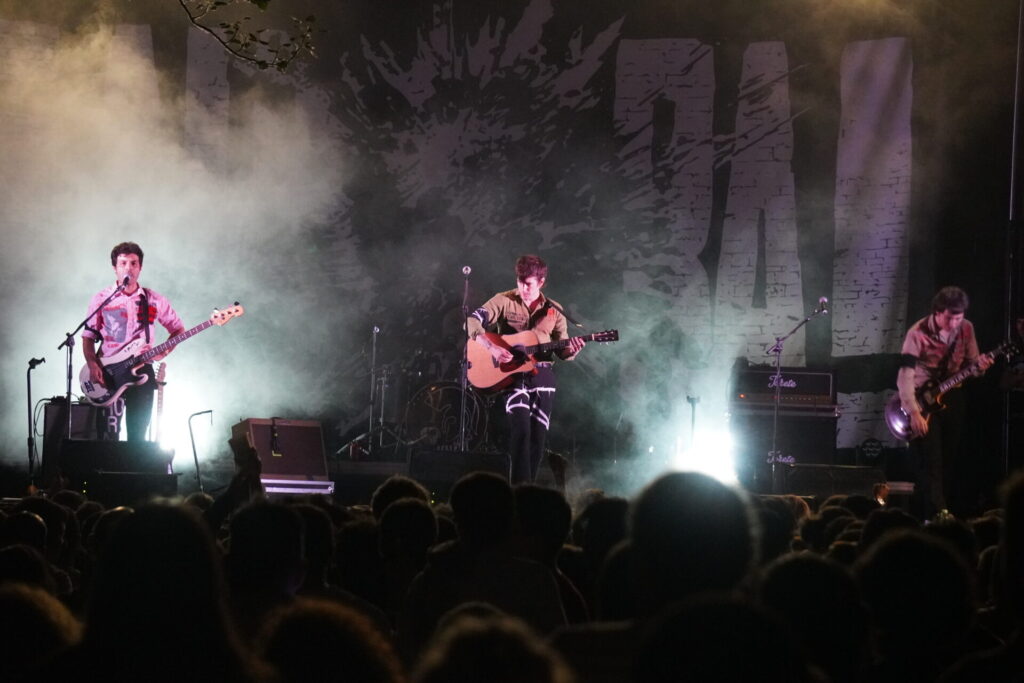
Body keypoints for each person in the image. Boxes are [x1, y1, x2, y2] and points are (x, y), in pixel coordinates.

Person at [466, 254, 585, 484]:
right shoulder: (503, 299)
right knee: (521, 431)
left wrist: (574, 350)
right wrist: (490, 347)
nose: (522, 287)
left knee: (538, 438)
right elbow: (471, 321)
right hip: (514, 377)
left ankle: (527, 487)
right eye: (519, 281)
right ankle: (519, 490)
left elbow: (562, 351)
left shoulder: (555, 310)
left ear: (541, 282)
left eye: (528, 283)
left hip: (543, 376)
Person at [896, 286, 993, 517]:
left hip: (953, 397)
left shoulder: (967, 328)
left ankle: (942, 509)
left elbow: (972, 366)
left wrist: (981, 368)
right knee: (931, 461)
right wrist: (914, 412)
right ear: (937, 313)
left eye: (959, 317)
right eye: (950, 318)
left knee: (950, 458)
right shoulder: (917, 333)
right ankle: (936, 514)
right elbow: (905, 375)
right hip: (922, 399)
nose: (954, 323)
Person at [82, 242, 184, 441]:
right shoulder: (102, 299)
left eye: (133, 263)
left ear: (140, 267)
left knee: (138, 433)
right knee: (107, 435)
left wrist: (163, 353)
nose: (128, 268)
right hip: (108, 370)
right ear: (115, 268)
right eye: (123, 263)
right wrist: (93, 363)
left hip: (142, 368)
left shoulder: (154, 299)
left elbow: (178, 329)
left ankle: (134, 467)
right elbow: (88, 337)